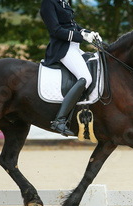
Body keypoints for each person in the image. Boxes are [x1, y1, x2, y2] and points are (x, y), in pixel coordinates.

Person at [40, 0, 101, 136]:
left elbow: (72, 25)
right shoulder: (48, 3)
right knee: (86, 78)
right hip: (62, 49)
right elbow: (55, 30)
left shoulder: (63, 2)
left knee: (94, 67)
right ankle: (59, 120)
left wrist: (90, 33)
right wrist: (81, 36)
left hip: (74, 47)